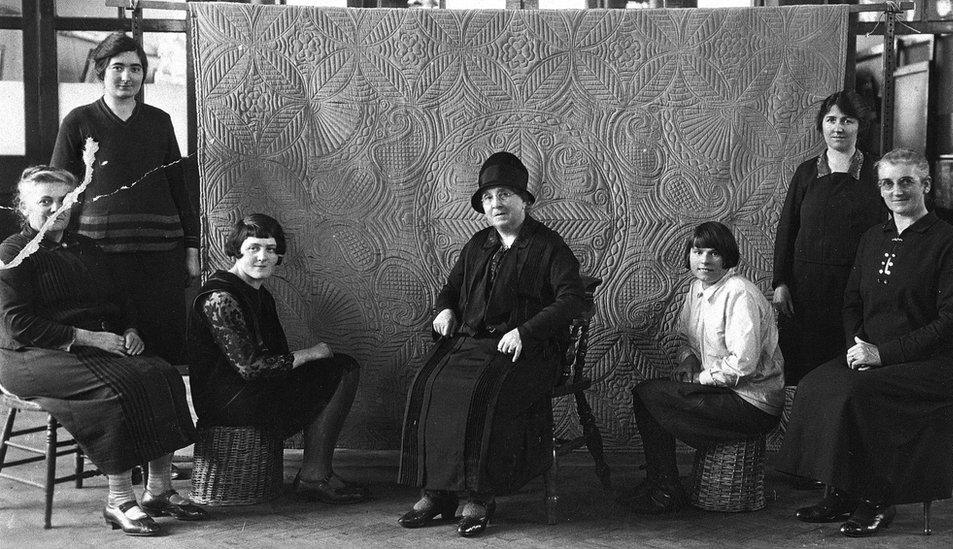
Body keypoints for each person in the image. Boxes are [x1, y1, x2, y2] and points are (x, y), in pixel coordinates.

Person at [778, 149, 953, 538]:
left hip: (937, 363)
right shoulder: (873, 238)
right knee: (817, 383)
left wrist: (883, 355)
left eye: (906, 181)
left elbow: (951, 325)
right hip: (876, 354)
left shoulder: (952, 245)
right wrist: (858, 346)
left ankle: (876, 500)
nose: (896, 190)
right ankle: (840, 492)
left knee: (860, 393)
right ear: (879, 189)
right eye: (887, 183)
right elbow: (851, 301)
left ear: (926, 186)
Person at [0, 167, 204, 536]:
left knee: (162, 373)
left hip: (84, 348)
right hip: (28, 356)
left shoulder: (86, 248)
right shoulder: (12, 252)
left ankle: (158, 489)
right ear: (24, 206)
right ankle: (120, 500)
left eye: (64, 201)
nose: (56, 209)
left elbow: (117, 301)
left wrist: (128, 329)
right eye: (45, 201)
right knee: (114, 390)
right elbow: (19, 325)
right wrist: (91, 338)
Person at [397, 151, 585, 537]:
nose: (495, 204)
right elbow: (450, 288)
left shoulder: (548, 245)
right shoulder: (479, 243)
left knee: (482, 394)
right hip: (474, 343)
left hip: (529, 349)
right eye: (488, 198)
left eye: (504, 195)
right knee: (430, 383)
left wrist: (525, 331)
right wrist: (445, 309)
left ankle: (478, 497)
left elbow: (572, 300)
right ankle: (438, 493)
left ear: (525, 200)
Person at [187, 213, 367, 504]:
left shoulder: (260, 294)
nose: (263, 257)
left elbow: (275, 356)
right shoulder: (221, 296)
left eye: (270, 249)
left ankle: (316, 473)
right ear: (236, 250)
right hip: (227, 402)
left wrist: (309, 362)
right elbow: (252, 367)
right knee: (336, 369)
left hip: (249, 391)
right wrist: (311, 354)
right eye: (254, 248)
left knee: (343, 367)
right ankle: (312, 477)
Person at [50, 32, 199, 364]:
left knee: (165, 346)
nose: (127, 76)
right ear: (102, 71)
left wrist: (192, 248)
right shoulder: (79, 120)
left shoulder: (159, 121)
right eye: (118, 67)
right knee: (114, 346)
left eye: (135, 68)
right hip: (100, 254)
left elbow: (179, 188)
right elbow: (59, 189)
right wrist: (60, 248)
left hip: (162, 256)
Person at [619, 221, 784, 514]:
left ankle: (665, 489)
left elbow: (742, 366)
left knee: (650, 395)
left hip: (752, 402)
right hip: (726, 391)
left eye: (714, 253)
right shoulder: (698, 289)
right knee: (646, 394)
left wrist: (700, 377)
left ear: (728, 257)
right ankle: (662, 484)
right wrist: (689, 358)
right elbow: (688, 339)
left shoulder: (739, 293)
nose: (705, 260)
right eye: (698, 252)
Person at [773, 90, 888, 385]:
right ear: (822, 124)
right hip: (805, 288)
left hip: (853, 288)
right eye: (831, 119)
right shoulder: (806, 172)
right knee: (802, 369)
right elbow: (788, 228)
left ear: (860, 126)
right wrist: (781, 282)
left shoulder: (876, 172)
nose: (838, 127)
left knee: (846, 371)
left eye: (847, 120)